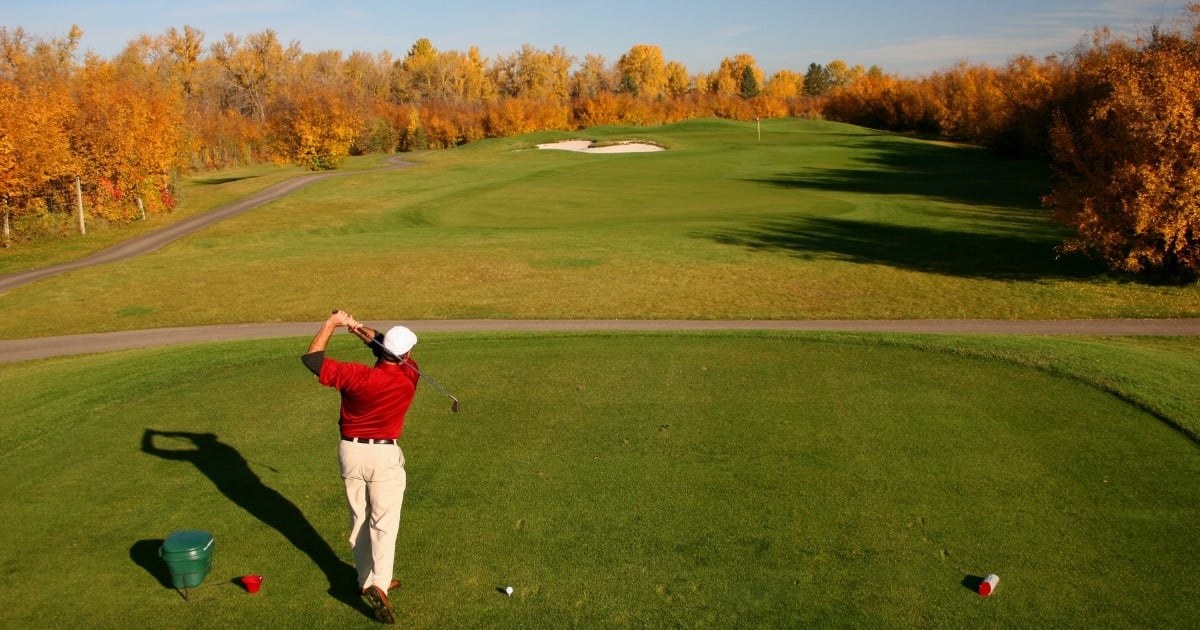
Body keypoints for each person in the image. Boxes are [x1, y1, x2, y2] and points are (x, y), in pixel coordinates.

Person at [302, 309, 420, 625]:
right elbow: (379, 343)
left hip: (350, 452)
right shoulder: (411, 375)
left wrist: (334, 325)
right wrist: (357, 329)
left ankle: (364, 581)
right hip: (384, 456)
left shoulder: (356, 375)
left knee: (360, 518)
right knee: (384, 523)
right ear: (407, 354)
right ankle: (379, 585)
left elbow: (312, 360)